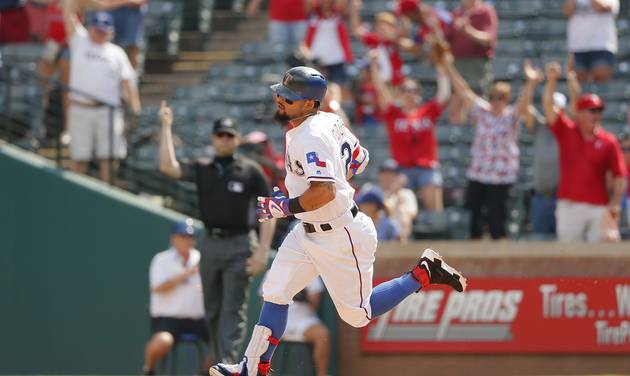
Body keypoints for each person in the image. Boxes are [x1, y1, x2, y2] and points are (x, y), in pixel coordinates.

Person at [209, 66, 466, 376]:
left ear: (309, 103)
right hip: (306, 230)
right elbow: (361, 158)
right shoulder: (328, 120)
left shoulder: (310, 135)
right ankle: (252, 368)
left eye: (289, 98)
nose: (280, 100)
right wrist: (326, 179)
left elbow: (326, 191)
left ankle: (423, 274)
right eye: (281, 93)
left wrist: (285, 206)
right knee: (275, 292)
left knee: (359, 315)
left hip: (340, 234)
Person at [158, 105, 276, 365]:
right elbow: (169, 167)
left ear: (237, 138)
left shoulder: (250, 170)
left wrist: (262, 251)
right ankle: (220, 361)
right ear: (213, 138)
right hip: (211, 243)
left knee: (232, 309)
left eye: (230, 135)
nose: (225, 139)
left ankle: (226, 363)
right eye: (220, 135)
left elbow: (268, 210)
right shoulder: (203, 167)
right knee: (212, 309)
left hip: (241, 244)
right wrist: (166, 126)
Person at [442, 53, 542, 240]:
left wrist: (531, 83)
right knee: (475, 221)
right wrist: (449, 67)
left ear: (507, 99)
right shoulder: (482, 111)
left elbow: (523, 103)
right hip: (479, 173)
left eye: (502, 98)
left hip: (501, 177)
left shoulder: (510, 115)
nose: (497, 101)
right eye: (494, 97)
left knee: (498, 222)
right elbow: (463, 90)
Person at [542, 61, 627, 242]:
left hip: (599, 207)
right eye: (591, 111)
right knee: (569, 258)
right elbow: (548, 107)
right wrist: (551, 80)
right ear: (579, 113)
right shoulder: (567, 131)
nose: (596, 115)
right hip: (569, 206)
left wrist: (615, 204)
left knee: (602, 258)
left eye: (599, 111)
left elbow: (620, 176)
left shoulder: (608, 141)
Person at [62, 0, 141, 183]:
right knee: (79, 159)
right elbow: (68, 9)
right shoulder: (79, 41)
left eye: (104, 30)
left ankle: (108, 196)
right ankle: (76, 197)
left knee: (109, 158)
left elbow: (128, 81)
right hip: (80, 108)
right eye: (97, 29)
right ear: (90, 28)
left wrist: (135, 107)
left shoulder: (116, 53)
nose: (100, 33)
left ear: (111, 33)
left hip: (108, 111)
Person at [370, 48, 451, 212]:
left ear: (419, 95)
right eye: (405, 90)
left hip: (427, 167)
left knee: (433, 202)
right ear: (399, 94)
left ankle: (436, 235)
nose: (409, 94)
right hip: (402, 170)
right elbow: (380, 88)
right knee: (399, 203)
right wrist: (374, 65)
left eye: (413, 91)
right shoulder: (393, 113)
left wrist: (442, 67)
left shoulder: (428, 111)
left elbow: (444, 95)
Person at [143, 219, 207, 375]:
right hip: (167, 320)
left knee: (223, 340)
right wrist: (185, 274)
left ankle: (203, 373)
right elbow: (157, 287)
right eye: (184, 236)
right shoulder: (161, 259)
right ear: (173, 238)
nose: (188, 240)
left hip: (197, 320)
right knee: (163, 341)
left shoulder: (201, 258)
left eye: (191, 237)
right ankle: (148, 369)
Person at [262, 275, 330, 376]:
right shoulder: (273, 272)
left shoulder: (311, 274)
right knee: (263, 334)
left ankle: (322, 374)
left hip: (304, 320)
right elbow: (264, 302)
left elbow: (315, 305)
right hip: (279, 317)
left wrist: (303, 294)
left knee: (323, 335)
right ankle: (263, 373)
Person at [564, 0, 619, 84]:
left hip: (602, 45)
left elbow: (601, 8)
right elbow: (567, 11)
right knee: (577, 82)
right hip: (577, 46)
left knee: (601, 82)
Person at [301, 0, 352, 86]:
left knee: (338, 88)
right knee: (316, 90)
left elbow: (345, 5)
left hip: (336, 59)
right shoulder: (313, 13)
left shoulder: (338, 14)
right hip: (315, 59)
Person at [109, 0, 146, 70]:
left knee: (133, 45)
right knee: (110, 44)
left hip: (133, 9)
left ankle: (132, 78)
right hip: (111, 7)